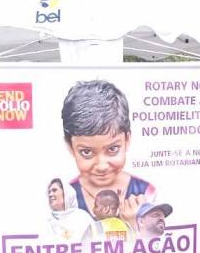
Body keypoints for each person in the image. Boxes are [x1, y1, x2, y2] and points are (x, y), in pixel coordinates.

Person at [62, 79, 156, 221]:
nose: (102, 166)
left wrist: (135, 222)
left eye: (112, 149)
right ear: (70, 147)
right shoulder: (65, 197)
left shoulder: (147, 193)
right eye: (86, 152)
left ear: (127, 140)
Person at [43, 177, 94, 243]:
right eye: (49, 192)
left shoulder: (82, 217)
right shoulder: (47, 223)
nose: (50, 194)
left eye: (54, 190)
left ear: (66, 193)